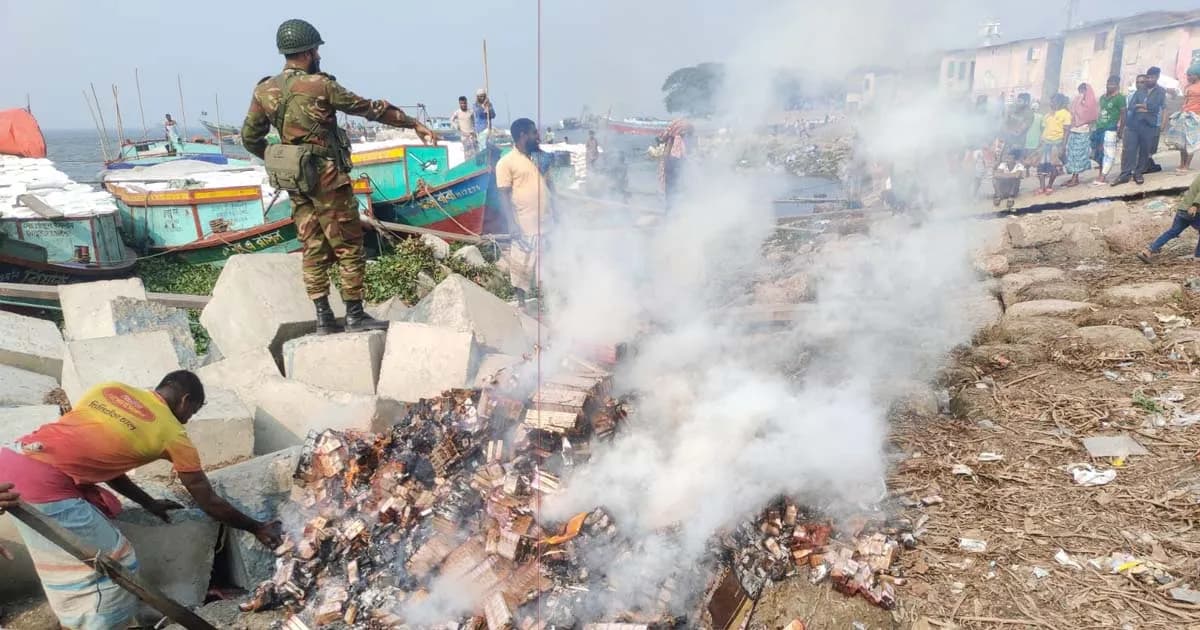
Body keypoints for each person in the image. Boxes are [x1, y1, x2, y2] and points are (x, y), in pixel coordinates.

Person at [0, 372, 282, 630]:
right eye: (192, 412)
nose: (188, 420)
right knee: (115, 563)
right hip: (41, 482)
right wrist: (256, 527)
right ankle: (94, 625)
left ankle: (74, 619)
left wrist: (149, 503)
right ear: (186, 401)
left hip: (12, 457)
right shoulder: (174, 434)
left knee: (63, 556)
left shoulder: (109, 389)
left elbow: (99, 455)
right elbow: (208, 500)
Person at [241, 19, 437, 334]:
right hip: (328, 179)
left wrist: (280, 157)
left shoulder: (264, 90)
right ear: (307, 52)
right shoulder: (321, 85)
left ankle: (323, 318)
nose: (318, 54)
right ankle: (355, 314)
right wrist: (412, 123)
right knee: (348, 243)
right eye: (316, 49)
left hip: (296, 181)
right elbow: (368, 108)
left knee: (313, 246)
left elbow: (250, 137)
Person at [496, 118, 553, 307]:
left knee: (548, 267)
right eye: (534, 133)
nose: (538, 137)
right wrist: (512, 224)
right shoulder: (507, 162)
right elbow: (503, 195)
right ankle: (521, 305)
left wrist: (559, 214)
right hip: (524, 225)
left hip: (545, 223)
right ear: (523, 136)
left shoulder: (539, 159)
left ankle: (551, 305)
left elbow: (550, 188)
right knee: (522, 267)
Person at [1113, 72, 1165, 186]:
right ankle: (1124, 175)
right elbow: (1131, 107)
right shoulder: (1137, 93)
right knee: (1128, 151)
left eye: (1142, 81)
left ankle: (1138, 173)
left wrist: (1143, 107)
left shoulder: (1159, 92)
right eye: (1138, 82)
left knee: (1144, 151)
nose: (1140, 84)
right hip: (1133, 125)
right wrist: (1141, 107)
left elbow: (1155, 108)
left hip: (1148, 125)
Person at [1137, 172, 1200, 263]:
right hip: (1194, 211)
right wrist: (1195, 206)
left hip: (1183, 209)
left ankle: (1148, 251)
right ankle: (1198, 256)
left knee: (1172, 232)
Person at [1092, 76, 1127, 185]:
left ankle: (1103, 177)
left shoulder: (1120, 98)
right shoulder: (1103, 98)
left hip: (1110, 129)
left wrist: (1121, 129)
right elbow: (1099, 112)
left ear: (1117, 85)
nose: (1109, 86)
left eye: (1112, 84)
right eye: (1108, 83)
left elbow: (1123, 114)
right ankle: (1100, 174)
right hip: (1100, 129)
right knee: (1100, 153)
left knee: (1109, 153)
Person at [1063, 83, 1099, 187]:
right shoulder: (1076, 101)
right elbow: (1072, 113)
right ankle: (1073, 178)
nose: (1081, 93)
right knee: (1072, 155)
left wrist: (1079, 105)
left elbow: (1089, 116)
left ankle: (1075, 179)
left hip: (1083, 132)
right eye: (1080, 91)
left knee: (1078, 156)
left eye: (1083, 91)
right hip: (1073, 130)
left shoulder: (1090, 103)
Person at [1165, 65, 1200, 172]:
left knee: (1191, 142)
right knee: (1181, 142)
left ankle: (1187, 166)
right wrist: (1181, 111)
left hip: (1195, 116)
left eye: (1190, 75)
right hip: (1184, 115)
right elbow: (1184, 101)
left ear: (1197, 75)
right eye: (1187, 75)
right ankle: (1181, 164)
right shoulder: (1187, 87)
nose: (1188, 77)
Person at [1037, 94, 1071, 194]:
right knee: (1041, 166)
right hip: (1045, 143)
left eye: (1053, 101)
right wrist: (1040, 143)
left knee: (1054, 167)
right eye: (1051, 101)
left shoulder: (1065, 114)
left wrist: (1063, 146)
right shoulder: (1047, 115)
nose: (1051, 103)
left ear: (1059, 102)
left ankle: (1049, 186)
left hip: (1057, 144)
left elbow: (1067, 131)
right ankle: (1042, 187)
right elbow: (1044, 129)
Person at [658, 119, 693, 210]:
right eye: (688, 134)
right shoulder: (678, 141)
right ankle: (674, 212)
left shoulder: (671, 138)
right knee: (676, 189)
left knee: (672, 191)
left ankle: (672, 211)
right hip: (674, 162)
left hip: (670, 162)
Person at [1144, 67, 1169, 174]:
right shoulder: (1142, 88)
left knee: (1152, 147)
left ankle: (1147, 165)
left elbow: (1165, 108)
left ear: (1157, 77)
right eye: (1148, 77)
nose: (1150, 80)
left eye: (1152, 77)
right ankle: (1145, 165)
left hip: (1155, 124)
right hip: (1142, 122)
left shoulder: (1161, 91)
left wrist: (1163, 123)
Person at [1001, 93, 1034, 161]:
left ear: (1026, 102)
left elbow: (1019, 131)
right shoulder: (1013, 109)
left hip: (1019, 142)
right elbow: (1005, 122)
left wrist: (1008, 129)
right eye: (1017, 100)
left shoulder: (1029, 114)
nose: (1017, 102)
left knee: (1016, 162)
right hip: (1008, 141)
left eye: (1020, 101)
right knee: (1003, 162)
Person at [450, 95, 478, 159]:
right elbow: (451, 120)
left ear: (466, 103)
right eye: (461, 103)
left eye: (464, 103)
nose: (463, 105)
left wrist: (475, 132)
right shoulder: (457, 112)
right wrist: (456, 126)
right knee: (467, 154)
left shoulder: (471, 111)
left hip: (472, 135)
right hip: (464, 136)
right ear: (459, 104)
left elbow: (475, 122)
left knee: (475, 152)